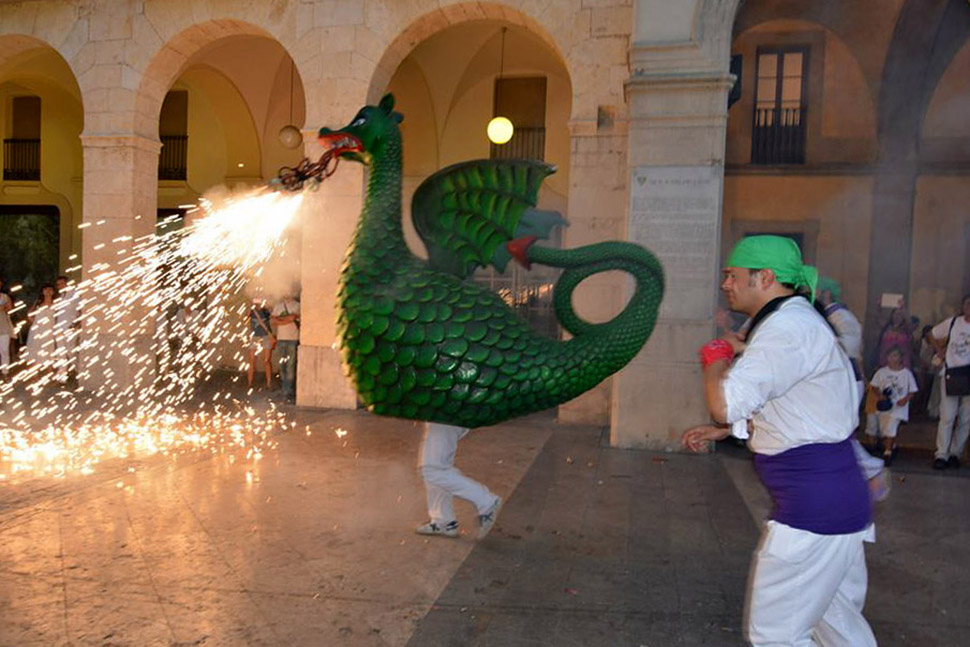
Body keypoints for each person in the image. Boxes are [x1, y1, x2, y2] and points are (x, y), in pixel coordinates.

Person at [682, 236, 876, 647]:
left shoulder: (786, 329)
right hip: (837, 505)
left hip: (813, 514)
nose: (725, 284)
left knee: (776, 636)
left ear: (765, 278)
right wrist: (730, 430)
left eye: (732, 275)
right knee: (838, 630)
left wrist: (715, 358)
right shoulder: (795, 321)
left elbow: (724, 403)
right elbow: (798, 409)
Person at [415, 422, 502, 540]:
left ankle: (487, 501)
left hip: (444, 417)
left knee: (432, 469)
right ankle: (444, 522)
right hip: (446, 417)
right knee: (438, 467)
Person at [929, 295, 970, 470]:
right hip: (952, 372)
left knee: (966, 418)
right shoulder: (953, 323)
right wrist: (939, 350)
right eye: (968, 304)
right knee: (947, 417)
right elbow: (931, 333)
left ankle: (956, 452)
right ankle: (941, 454)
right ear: (963, 307)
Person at [867, 346, 918, 465]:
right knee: (885, 428)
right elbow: (874, 386)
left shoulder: (906, 374)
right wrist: (880, 395)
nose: (893, 359)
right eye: (891, 356)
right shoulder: (881, 372)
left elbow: (913, 390)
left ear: (901, 357)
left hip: (899, 407)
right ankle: (891, 445)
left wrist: (905, 399)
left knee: (891, 426)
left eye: (896, 356)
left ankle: (887, 452)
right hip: (885, 406)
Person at [271, 294, 300, 403]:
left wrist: (280, 320)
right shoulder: (278, 306)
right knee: (282, 366)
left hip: (292, 339)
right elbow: (273, 321)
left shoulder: (297, 305)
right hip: (281, 339)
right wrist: (287, 320)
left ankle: (289, 391)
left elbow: (293, 318)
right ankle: (285, 390)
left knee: (290, 366)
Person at [53, 275, 81, 384]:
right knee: (60, 352)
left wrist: (76, 323)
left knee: (71, 351)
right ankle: (62, 376)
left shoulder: (75, 294)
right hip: (59, 327)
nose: (60, 286)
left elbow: (81, 310)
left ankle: (79, 372)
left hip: (71, 327)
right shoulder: (60, 296)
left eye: (62, 283)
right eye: (58, 284)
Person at [25, 284, 58, 372]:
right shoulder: (38, 303)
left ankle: (50, 372)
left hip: (50, 330)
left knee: (49, 350)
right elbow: (29, 314)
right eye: (45, 289)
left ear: (53, 292)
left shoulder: (56, 303)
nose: (48, 291)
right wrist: (35, 324)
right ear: (42, 292)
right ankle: (34, 374)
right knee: (35, 349)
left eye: (50, 289)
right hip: (37, 331)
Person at [248, 298, 274, 389]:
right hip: (255, 337)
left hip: (266, 336)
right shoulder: (251, 310)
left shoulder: (266, 310)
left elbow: (272, 314)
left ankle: (269, 383)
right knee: (252, 360)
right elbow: (246, 316)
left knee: (266, 360)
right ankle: (250, 383)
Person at [0, 277, 13, 378]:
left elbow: (9, 308)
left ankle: (5, 372)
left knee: (4, 350)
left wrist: (4, 307)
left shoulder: (5, 297)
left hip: (3, 327)